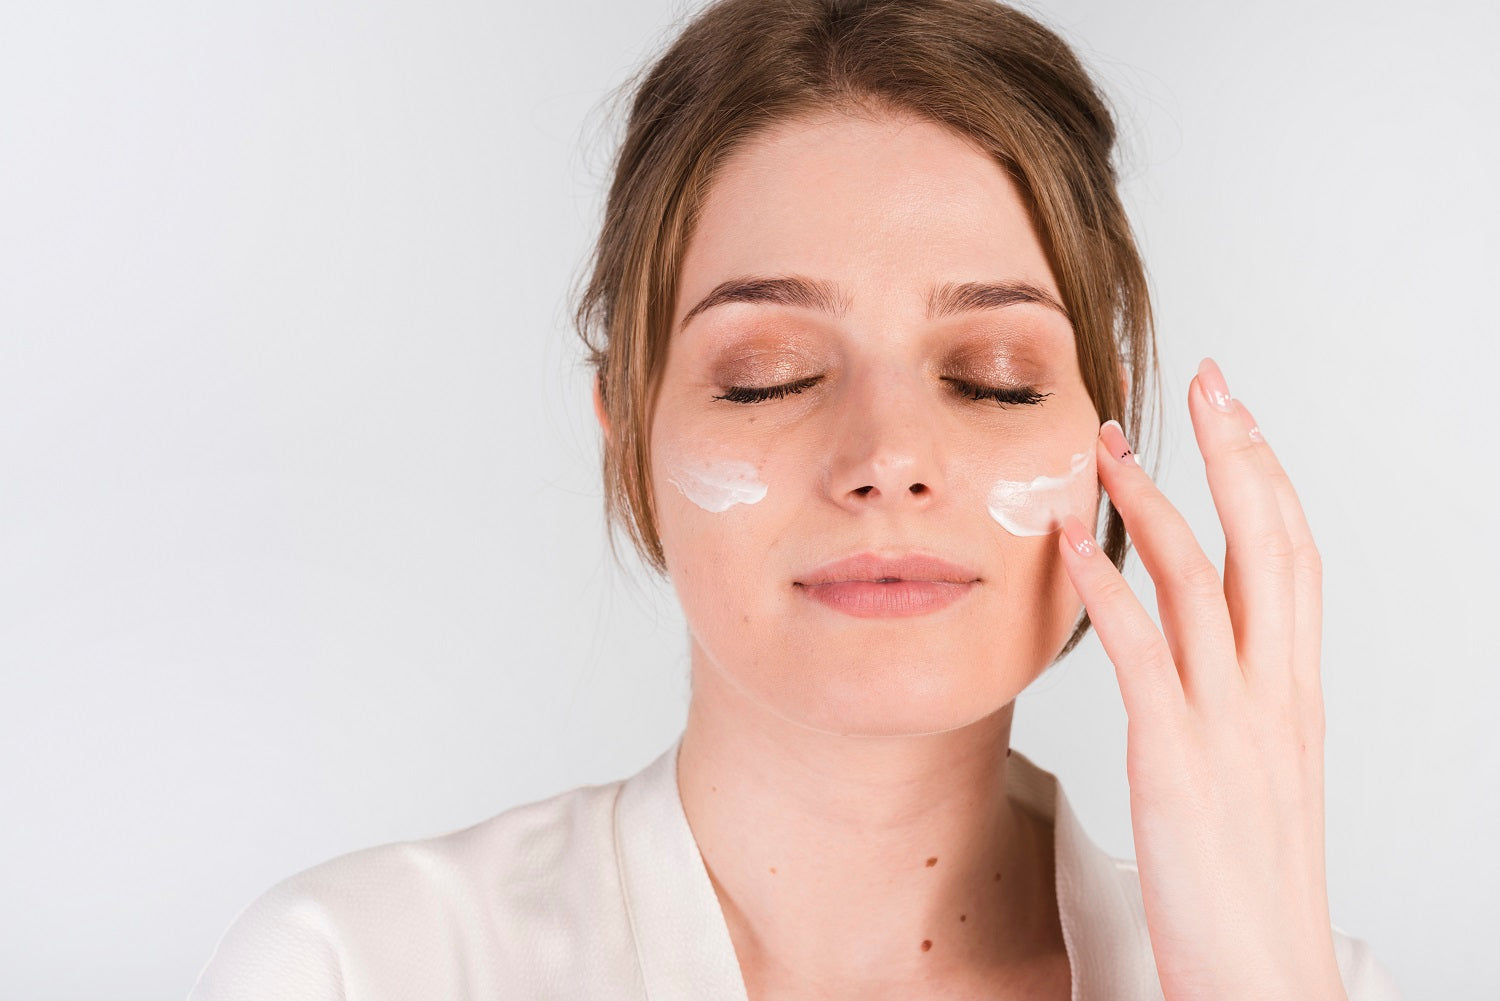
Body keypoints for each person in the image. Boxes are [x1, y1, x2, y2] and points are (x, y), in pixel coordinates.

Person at [188, 1, 1405, 998]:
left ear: (1107, 440)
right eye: (771, 375)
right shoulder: (359, 965)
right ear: (632, 429)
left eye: (992, 380)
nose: (888, 454)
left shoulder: (1311, 979)